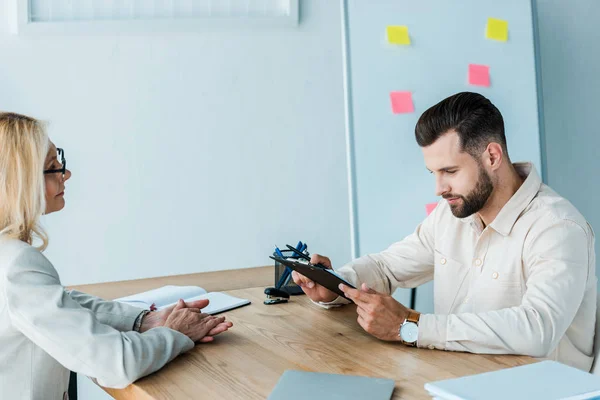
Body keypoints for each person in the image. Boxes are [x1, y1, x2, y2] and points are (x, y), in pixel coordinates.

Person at [293, 92, 596, 371]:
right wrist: (337, 285)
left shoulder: (557, 227)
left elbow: (537, 329)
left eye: (450, 172)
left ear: (492, 156)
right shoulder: (451, 216)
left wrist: (410, 326)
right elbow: (386, 269)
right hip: (458, 380)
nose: (439, 189)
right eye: (434, 173)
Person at [0, 112, 233, 399]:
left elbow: (62, 300)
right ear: (18, 182)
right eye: (52, 166)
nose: (66, 173)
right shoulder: (16, 265)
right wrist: (175, 333)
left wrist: (143, 321)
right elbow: (116, 364)